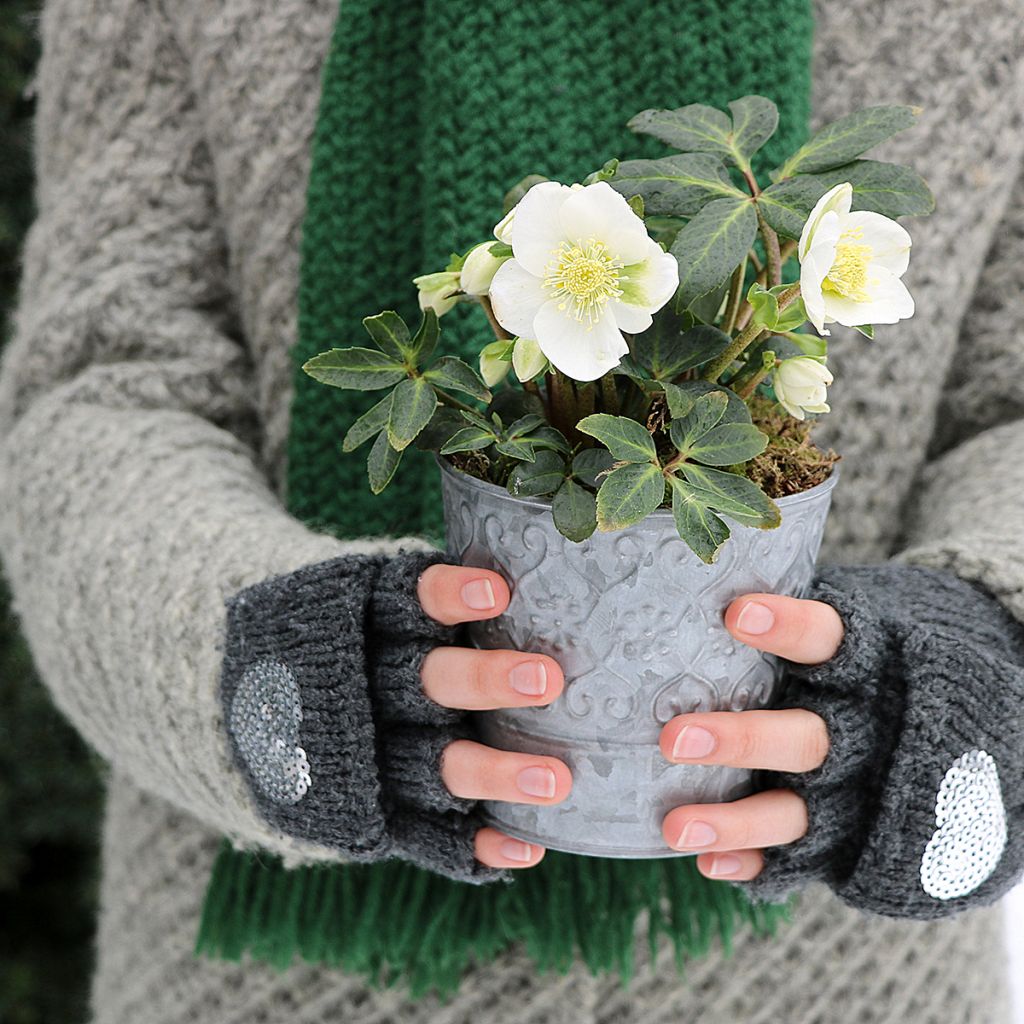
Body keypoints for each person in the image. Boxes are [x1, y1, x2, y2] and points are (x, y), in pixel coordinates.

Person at [1, 0, 1023, 1021]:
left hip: (849, 978)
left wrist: (981, 651)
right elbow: (107, 383)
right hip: (266, 978)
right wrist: (276, 670)